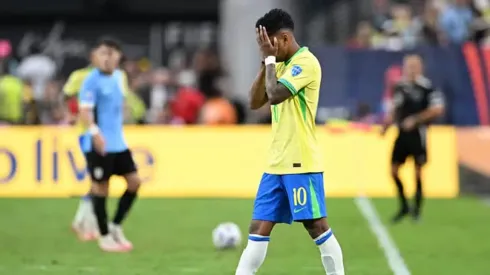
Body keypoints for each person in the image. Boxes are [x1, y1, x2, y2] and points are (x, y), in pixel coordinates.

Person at [235, 9, 345, 275]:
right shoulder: (277, 63)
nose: (266, 50)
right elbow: (254, 101)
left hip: (300, 161)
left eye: (269, 43)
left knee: (317, 227)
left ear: (284, 38)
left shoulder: (306, 63)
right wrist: (266, 63)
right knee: (257, 229)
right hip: (276, 163)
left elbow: (274, 95)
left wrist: (270, 60)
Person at [78, 37, 141, 252]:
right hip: (98, 144)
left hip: (118, 142)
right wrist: (95, 133)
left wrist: (126, 113)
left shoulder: (119, 77)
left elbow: (119, 104)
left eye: (112, 53)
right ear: (95, 57)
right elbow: (85, 110)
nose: (108, 57)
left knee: (134, 182)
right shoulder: (90, 81)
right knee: (101, 188)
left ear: (118, 57)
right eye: (103, 53)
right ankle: (104, 236)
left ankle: (115, 226)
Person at [381, 54, 444, 223]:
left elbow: (438, 109)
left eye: (414, 66)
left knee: (417, 172)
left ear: (421, 68)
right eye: (408, 66)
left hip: (418, 134)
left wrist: (416, 120)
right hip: (402, 133)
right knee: (394, 170)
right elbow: (395, 108)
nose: (411, 69)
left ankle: (416, 210)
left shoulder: (427, 88)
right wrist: (387, 125)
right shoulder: (399, 86)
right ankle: (403, 206)